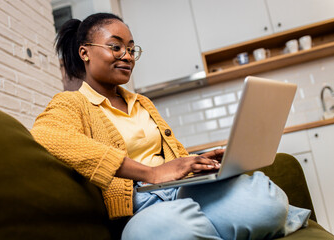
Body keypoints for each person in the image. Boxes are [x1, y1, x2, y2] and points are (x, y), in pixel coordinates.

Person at [31, 13, 310, 240]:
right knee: (167, 230)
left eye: (131, 49)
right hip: (140, 204)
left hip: (183, 190)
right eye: (115, 47)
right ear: (85, 52)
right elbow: (46, 137)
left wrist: (194, 161)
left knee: (265, 205)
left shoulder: (142, 103)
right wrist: (150, 173)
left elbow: (171, 160)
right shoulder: (71, 103)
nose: (127, 56)